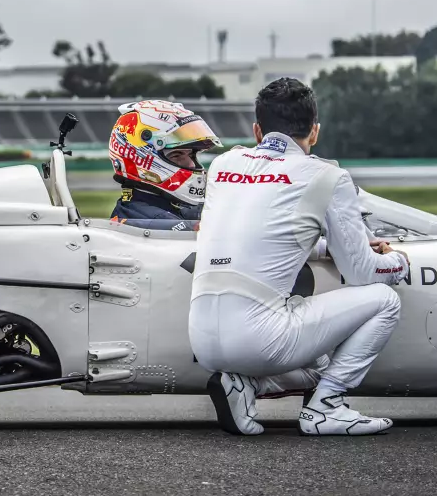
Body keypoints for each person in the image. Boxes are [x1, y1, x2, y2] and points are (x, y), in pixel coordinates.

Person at [188, 77, 410, 436]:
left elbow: (261, 234)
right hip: (262, 340)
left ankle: (245, 386)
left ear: (258, 131)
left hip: (202, 340)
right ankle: (327, 407)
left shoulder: (223, 164)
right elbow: (362, 275)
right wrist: (398, 262)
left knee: (321, 359)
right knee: (384, 300)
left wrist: (323, 246)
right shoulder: (328, 176)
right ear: (315, 132)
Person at [107, 100, 223, 231]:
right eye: (177, 155)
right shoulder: (158, 223)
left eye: (191, 155)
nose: (191, 164)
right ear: (141, 157)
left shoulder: (136, 208)